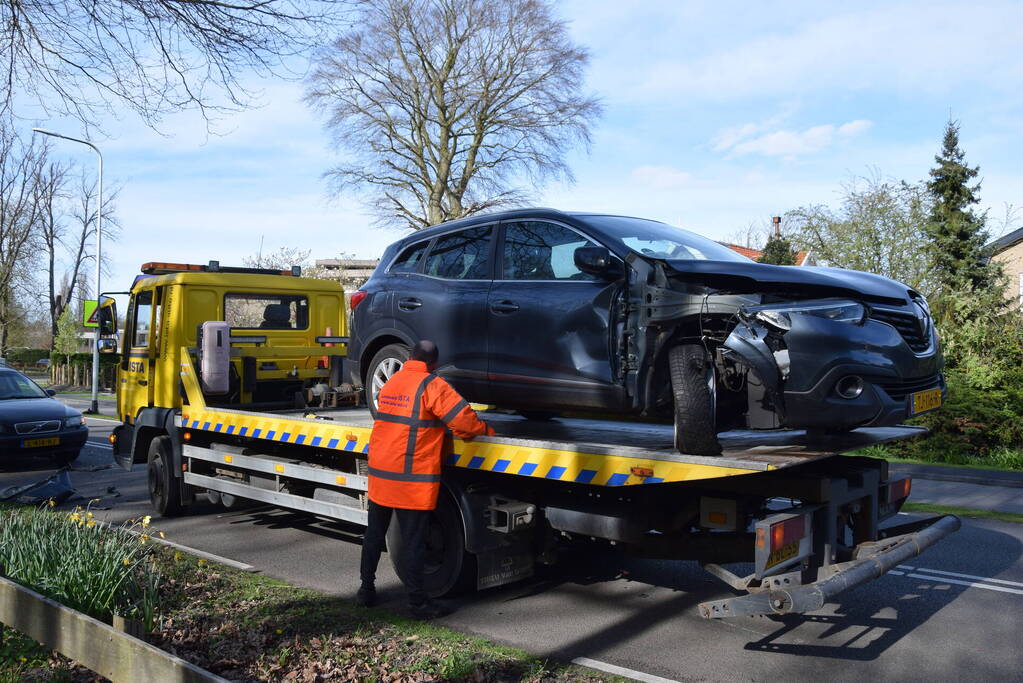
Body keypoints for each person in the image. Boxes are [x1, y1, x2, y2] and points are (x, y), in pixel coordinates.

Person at [357, 340, 494, 619]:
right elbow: (464, 422)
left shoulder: (391, 383)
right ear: (434, 364)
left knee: (374, 535)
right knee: (414, 543)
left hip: (382, 474)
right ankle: (417, 603)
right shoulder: (432, 386)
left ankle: (366, 590)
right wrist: (485, 430)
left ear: (409, 357)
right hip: (410, 479)